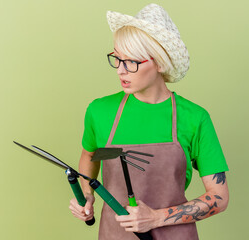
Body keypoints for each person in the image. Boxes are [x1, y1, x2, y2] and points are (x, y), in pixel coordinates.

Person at [69, 3, 229, 240]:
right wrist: (87, 195)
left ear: (160, 63)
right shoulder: (100, 112)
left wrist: (155, 217)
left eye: (131, 62)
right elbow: (92, 156)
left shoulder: (194, 118)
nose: (120, 71)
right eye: (117, 58)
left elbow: (219, 196)